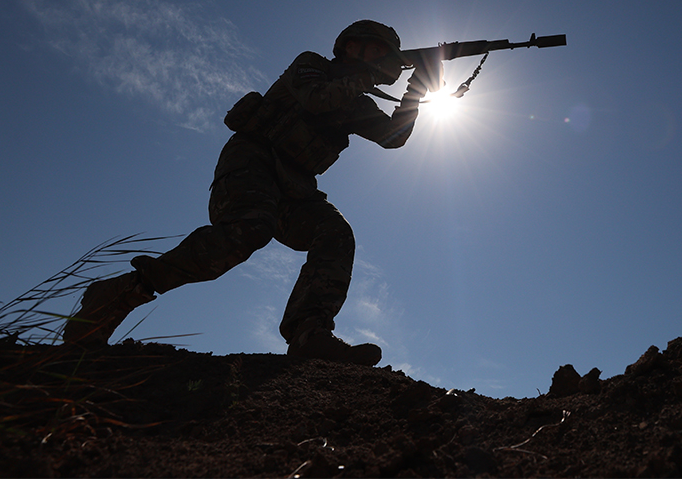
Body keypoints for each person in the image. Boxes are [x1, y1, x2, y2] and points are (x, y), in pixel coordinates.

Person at [63, 20, 438, 366]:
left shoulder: (357, 103)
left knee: (335, 233)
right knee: (247, 230)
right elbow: (316, 99)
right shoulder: (313, 65)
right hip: (253, 160)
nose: (384, 61)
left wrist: (418, 86)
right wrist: (366, 76)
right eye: (378, 51)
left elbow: (394, 137)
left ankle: (309, 333)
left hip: (295, 186)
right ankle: (122, 293)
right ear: (351, 47)